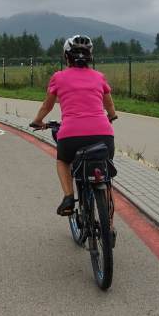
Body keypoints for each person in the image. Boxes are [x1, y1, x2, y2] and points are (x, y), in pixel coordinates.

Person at [30, 35, 118, 215]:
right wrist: (111, 116)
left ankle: (69, 197)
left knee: (63, 161)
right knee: (105, 168)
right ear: (90, 56)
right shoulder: (99, 77)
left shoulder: (58, 77)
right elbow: (109, 104)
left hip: (71, 135)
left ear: (66, 56)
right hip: (103, 134)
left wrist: (38, 121)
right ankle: (108, 214)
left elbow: (47, 106)